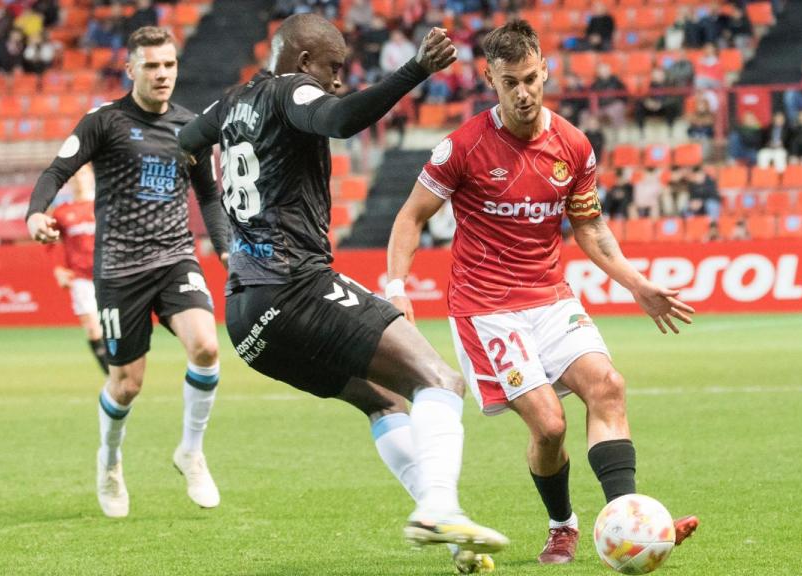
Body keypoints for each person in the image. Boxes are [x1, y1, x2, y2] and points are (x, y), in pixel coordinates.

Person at [178, 13, 507, 572]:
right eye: (333, 68)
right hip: (295, 287)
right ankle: (440, 506)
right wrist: (415, 70)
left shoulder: (231, 101)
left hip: (245, 317)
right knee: (441, 379)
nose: (336, 80)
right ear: (304, 61)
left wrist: (221, 232)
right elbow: (339, 117)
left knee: (383, 400)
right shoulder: (292, 88)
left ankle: (452, 536)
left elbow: (186, 144)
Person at [385, 20, 699, 566]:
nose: (524, 92)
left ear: (545, 70)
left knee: (608, 386)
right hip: (487, 309)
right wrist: (396, 287)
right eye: (511, 82)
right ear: (491, 80)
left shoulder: (573, 146)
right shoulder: (462, 146)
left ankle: (631, 524)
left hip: (551, 297)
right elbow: (411, 216)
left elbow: (590, 229)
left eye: (531, 78)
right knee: (550, 425)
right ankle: (563, 525)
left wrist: (638, 286)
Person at [25, 27, 231, 519]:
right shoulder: (105, 122)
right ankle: (110, 462)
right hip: (119, 269)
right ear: (131, 69)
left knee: (206, 345)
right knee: (127, 384)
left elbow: (208, 195)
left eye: (169, 65)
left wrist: (224, 250)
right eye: (152, 66)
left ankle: (191, 451)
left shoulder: (192, 127)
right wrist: (36, 213)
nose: (163, 75)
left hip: (176, 257)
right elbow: (56, 171)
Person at [47, 163, 108, 375]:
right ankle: (113, 377)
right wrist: (58, 269)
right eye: (75, 175)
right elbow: (50, 242)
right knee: (93, 328)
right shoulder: (63, 212)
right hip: (81, 278)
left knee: (113, 327)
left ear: (91, 176)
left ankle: (123, 373)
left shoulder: (104, 205)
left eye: (83, 174)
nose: (79, 179)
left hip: (109, 275)